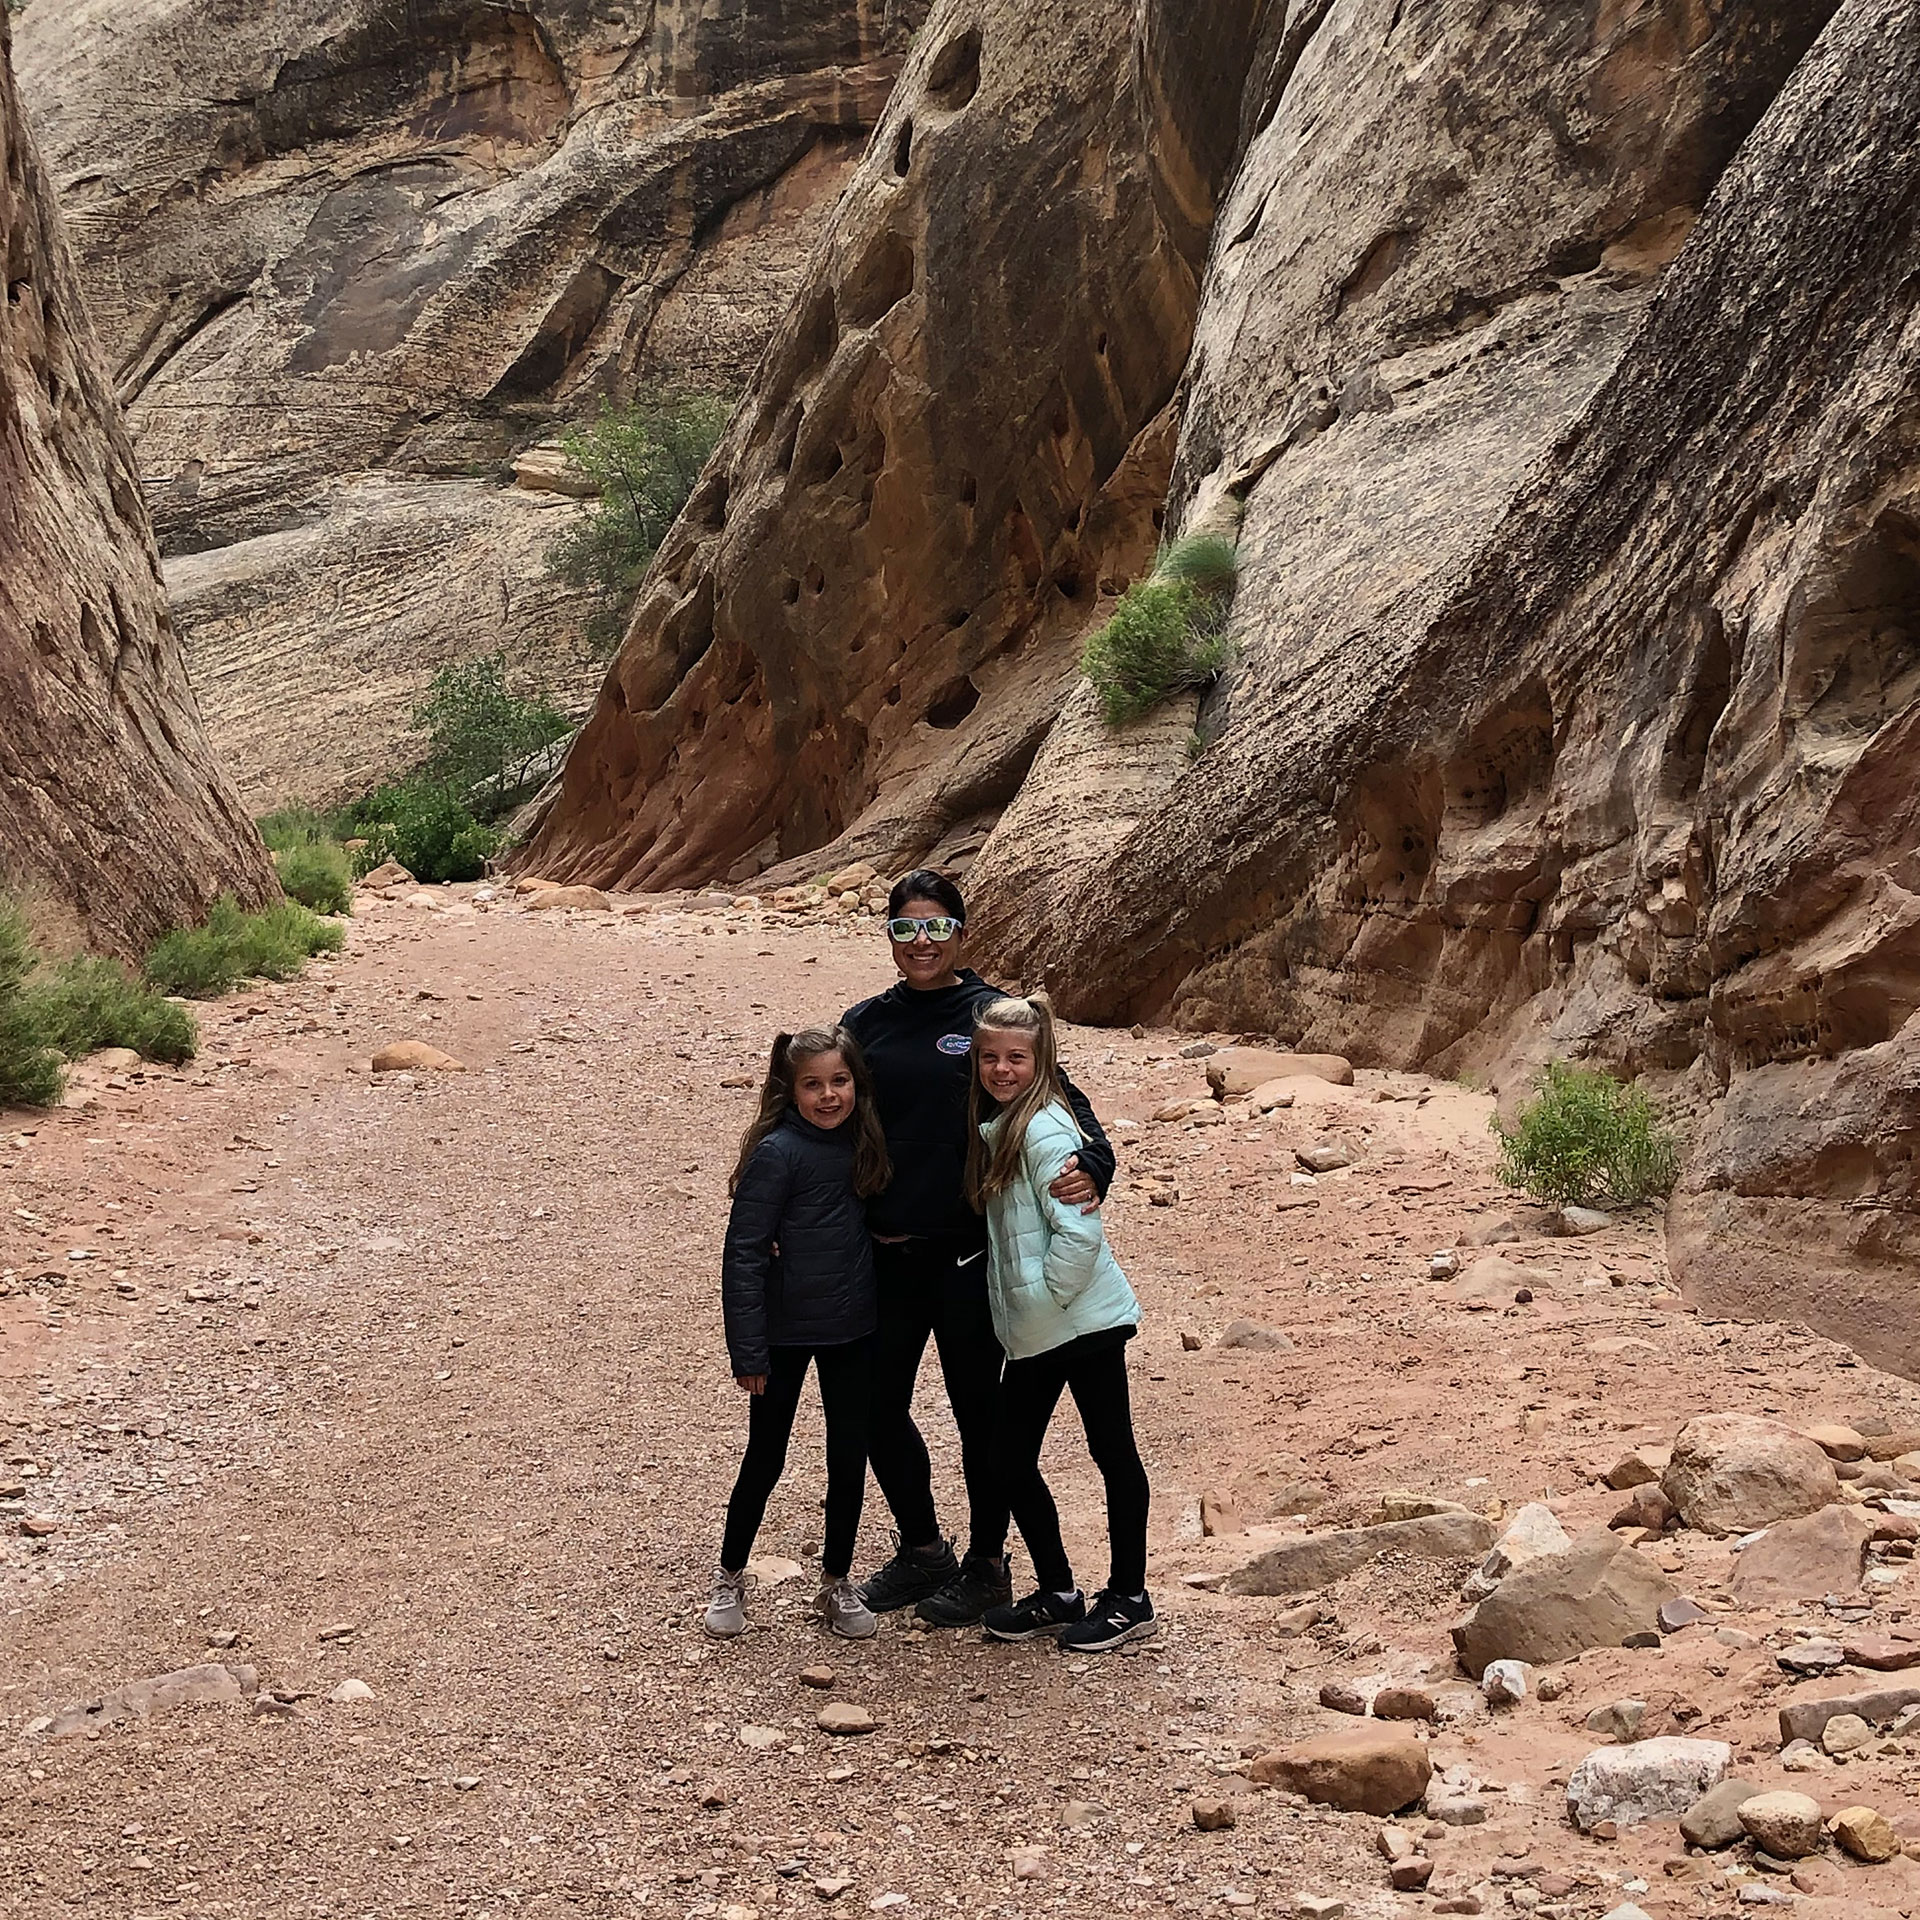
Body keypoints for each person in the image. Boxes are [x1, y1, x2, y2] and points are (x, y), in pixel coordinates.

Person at [845, 870, 1115, 1628]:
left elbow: (1071, 1110)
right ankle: (924, 1547)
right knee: (874, 1407)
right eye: (906, 928)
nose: (922, 942)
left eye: (936, 927)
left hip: (968, 1258)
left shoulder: (993, 1017)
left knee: (981, 1421)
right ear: (890, 938)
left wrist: (1093, 1167)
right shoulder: (865, 1022)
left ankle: (988, 1566)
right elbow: (826, 1114)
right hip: (889, 1254)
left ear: (963, 932)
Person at [966, 994, 1156, 1651]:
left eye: (1016, 1058)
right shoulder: (1002, 1124)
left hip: (1080, 1324)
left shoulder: (1044, 1130)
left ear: (1041, 1060)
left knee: (1111, 1451)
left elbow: (1077, 1233)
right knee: (1008, 1458)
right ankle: (1059, 1593)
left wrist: (1044, 1297)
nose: (1001, 1069)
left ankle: (1130, 1597)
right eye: (989, 1057)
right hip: (1043, 1327)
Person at [705, 1026, 892, 1641]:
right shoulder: (777, 1153)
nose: (829, 1095)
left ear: (856, 1085)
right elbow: (745, 1254)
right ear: (789, 1091)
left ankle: (837, 1581)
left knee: (848, 1456)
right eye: (813, 1084)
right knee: (767, 1455)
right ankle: (730, 1572)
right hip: (783, 1336)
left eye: (840, 1081)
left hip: (851, 1328)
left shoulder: (865, 1144)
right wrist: (748, 1349)